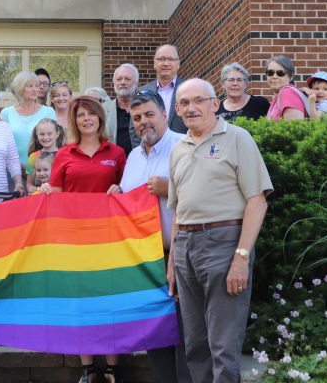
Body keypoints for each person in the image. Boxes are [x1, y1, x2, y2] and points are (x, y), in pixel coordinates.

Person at [167, 79, 273, 383]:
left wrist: (241, 257)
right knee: (195, 344)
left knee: (223, 344)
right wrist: (174, 258)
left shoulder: (237, 138)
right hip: (186, 246)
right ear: (177, 110)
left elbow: (257, 200)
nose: (191, 108)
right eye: (184, 103)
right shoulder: (178, 149)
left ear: (215, 104)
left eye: (198, 100)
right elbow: (177, 210)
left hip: (224, 244)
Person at [40, 95, 127, 383]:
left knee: (111, 301)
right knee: (82, 303)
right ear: (74, 121)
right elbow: (54, 195)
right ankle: (88, 368)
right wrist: (46, 193)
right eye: (80, 115)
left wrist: (121, 190)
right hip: (74, 239)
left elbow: (129, 193)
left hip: (110, 239)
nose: (86, 119)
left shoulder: (116, 153)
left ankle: (112, 369)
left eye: (91, 114)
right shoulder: (64, 154)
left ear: (101, 117)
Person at [111, 91, 191, 383]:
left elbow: (200, 193)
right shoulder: (133, 156)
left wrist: (169, 187)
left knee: (185, 335)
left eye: (149, 115)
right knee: (154, 336)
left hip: (177, 253)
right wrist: (117, 194)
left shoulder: (183, 146)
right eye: (136, 118)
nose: (143, 122)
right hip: (144, 261)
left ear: (163, 115)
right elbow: (132, 199)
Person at [0, 71, 56, 169]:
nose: (35, 89)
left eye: (36, 86)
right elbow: (3, 145)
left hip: (41, 171)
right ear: (20, 88)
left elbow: (54, 144)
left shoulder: (48, 111)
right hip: (12, 171)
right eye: (30, 86)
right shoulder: (6, 113)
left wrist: (31, 167)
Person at [139, 44, 187, 133]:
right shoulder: (142, 92)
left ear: (178, 64)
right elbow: (135, 128)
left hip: (185, 145)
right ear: (154, 63)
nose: (166, 63)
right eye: (161, 59)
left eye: (171, 59)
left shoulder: (189, 89)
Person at [104, 63, 142, 155]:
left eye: (127, 79)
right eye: (119, 79)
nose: (122, 82)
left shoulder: (144, 108)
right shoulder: (102, 109)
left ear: (136, 84)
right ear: (114, 83)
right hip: (112, 164)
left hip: (140, 162)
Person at [25, 118, 65, 194]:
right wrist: (30, 188)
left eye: (49, 134)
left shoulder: (65, 155)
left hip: (60, 198)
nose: (45, 137)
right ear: (37, 134)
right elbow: (29, 183)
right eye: (42, 134)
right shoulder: (33, 157)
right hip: (39, 199)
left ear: (57, 134)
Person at [265, 55, 307, 121]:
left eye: (280, 73)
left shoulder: (287, 93)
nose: (274, 76)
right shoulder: (280, 95)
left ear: (291, 76)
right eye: (270, 73)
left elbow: (294, 128)